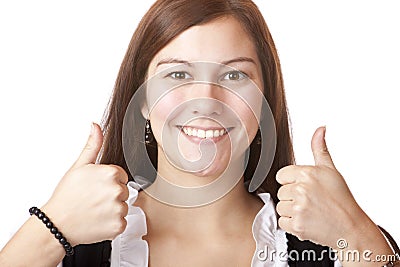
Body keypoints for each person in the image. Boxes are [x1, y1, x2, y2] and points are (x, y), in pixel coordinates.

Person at [0, 0, 398, 266]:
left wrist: (356, 234)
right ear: (141, 99)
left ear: (265, 98)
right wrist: (51, 227)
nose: (207, 100)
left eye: (233, 75)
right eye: (177, 74)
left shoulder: (331, 241)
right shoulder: (76, 242)